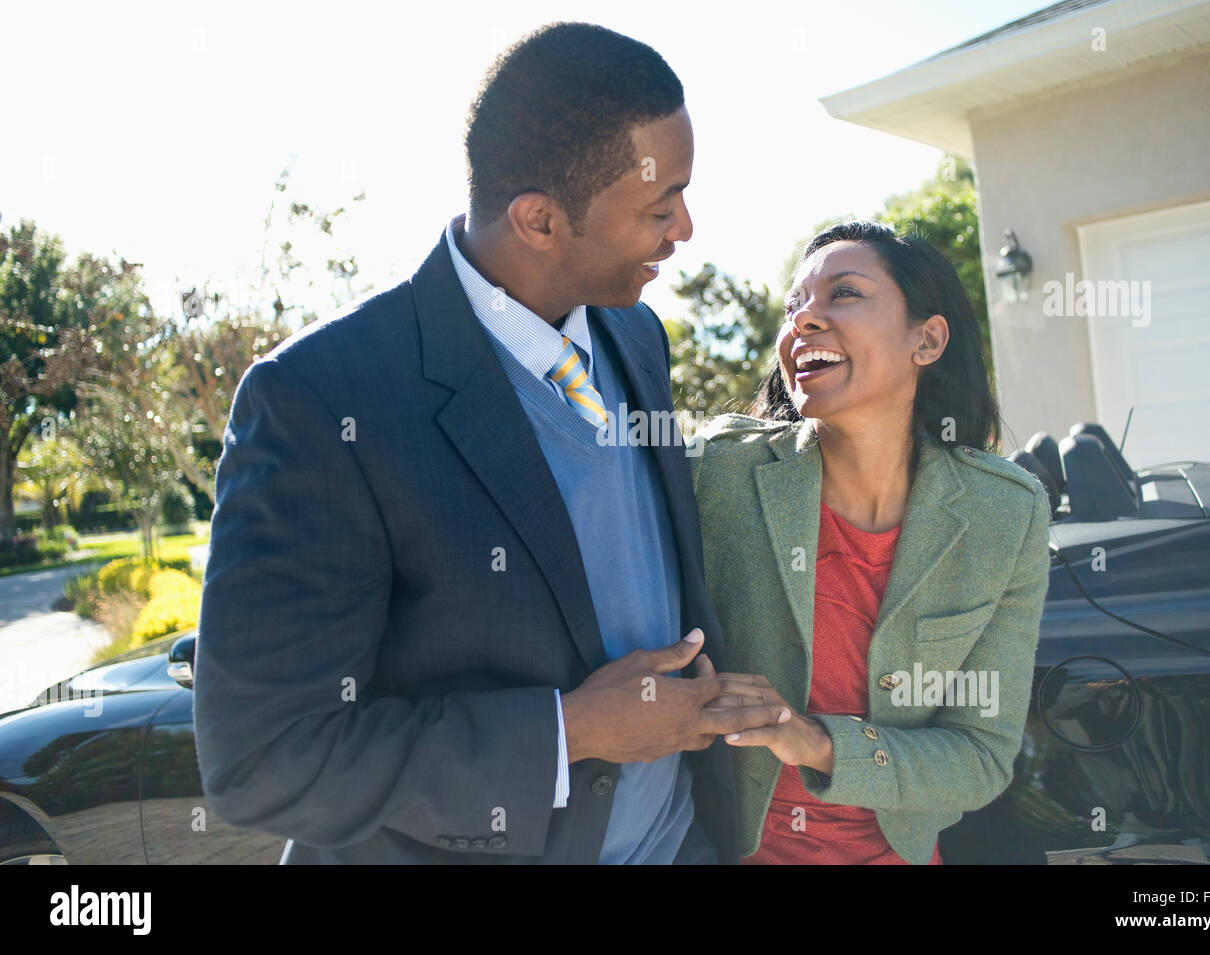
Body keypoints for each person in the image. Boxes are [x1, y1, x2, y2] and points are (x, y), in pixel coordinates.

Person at [194, 21, 784, 865]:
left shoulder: (636, 334)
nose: (685, 229)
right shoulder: (320, 400)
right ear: (540, 220)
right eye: (660, 207)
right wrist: (571, 730)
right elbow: (265, 762)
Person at [688, 220, 1052, 864]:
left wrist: (814, 741)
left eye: (844, 294)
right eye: (795, 304)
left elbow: (982, 754)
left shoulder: (1006, 513)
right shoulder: (721, 472)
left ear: (926, 340)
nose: (805, 319)